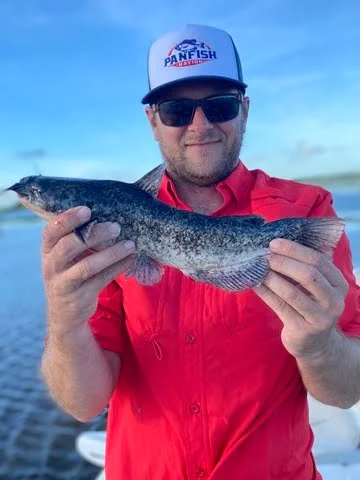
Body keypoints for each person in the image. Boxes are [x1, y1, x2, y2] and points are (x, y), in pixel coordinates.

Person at [40, 24, 360, 480]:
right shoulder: (104, 232)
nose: (200, 126)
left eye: (220, 106)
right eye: (176, 110)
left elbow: (345, 392)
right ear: (153, 121)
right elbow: (82, 402)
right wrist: (63, 318)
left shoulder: (307, 210)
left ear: (244, 110)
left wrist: (318, 341)